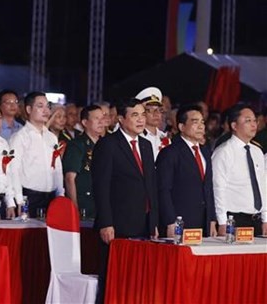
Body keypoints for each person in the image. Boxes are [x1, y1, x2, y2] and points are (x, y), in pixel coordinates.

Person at [91, 98, 158, 303]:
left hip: (143, 224)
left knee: (139, 280)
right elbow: (100, 187)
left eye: (142, 114)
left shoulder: (146, 146)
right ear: (121, 119)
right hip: (117, 225)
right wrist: (106, 222)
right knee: (114, 278)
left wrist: (154, 221)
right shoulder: (108, 145)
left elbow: (150, 186)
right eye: (135, 115)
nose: (141, 119)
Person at [156, 105, 217, 237]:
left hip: (203, 222)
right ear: (181, 127)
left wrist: (212, 219)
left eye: (202, 122)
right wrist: (170, 221)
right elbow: (163, 190)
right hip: (179, 222)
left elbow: (208, 187)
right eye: (195, 122)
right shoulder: (170, 153)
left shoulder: (205, 152)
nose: (201, 126)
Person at [212, 103, 266, 236]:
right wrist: (222, 222)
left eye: (255, 120)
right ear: (234, 126)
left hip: (257, 220)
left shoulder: (257, 151)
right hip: (234, 220)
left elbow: (263, 186)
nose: (254, 125)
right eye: (248, 121)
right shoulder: (224, 152)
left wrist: (265, 218)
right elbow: (218, 188)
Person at [9, 91, 64, 217]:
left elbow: (57, 167)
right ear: (29, 109)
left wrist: (60, 194)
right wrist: (19, 200)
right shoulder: (20, 137)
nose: (46, 110)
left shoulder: (51, 137)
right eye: (40, 106)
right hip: (30, 197)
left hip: (51, 197)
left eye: (47, 106)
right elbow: (14, 170)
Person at [63, 104, 105, 219]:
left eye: (103, 118)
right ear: (85, 123)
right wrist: (74, 207)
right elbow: (69, 178)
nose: (101, 122)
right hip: (84, 203)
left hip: (103, 204)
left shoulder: (106, 144)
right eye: (97, 119)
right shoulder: (77, 145)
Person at [135, 86, 170, 160]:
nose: (156, 114)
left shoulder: (164, 137)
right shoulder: (136, 136)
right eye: (150, 110)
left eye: (159, 110)